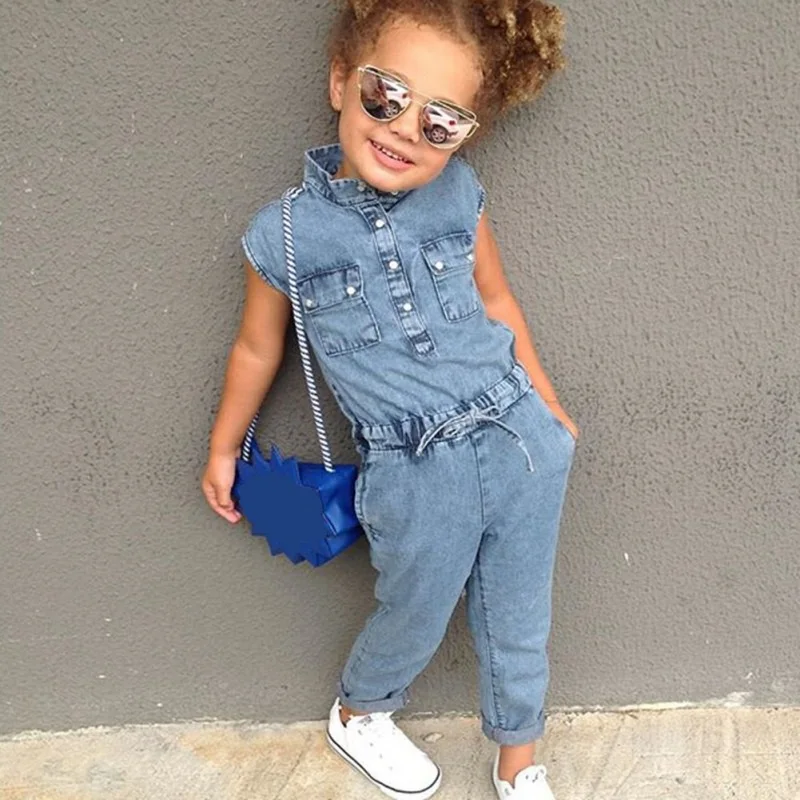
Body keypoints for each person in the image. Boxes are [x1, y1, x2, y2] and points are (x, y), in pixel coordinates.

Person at [202, 1, 577, 798]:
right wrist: (224, 447)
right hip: (412, 468)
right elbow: (258, 350)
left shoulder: (458, 192)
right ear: (342, 82)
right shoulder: (284, 234)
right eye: (387, 96)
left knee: (521, 614)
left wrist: (548, 410)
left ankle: (520, 761)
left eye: (441, 122)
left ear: (465, 134)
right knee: (416, 605)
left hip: (518, 436)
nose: (406, 129)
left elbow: (497, 302)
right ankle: (360, 710)